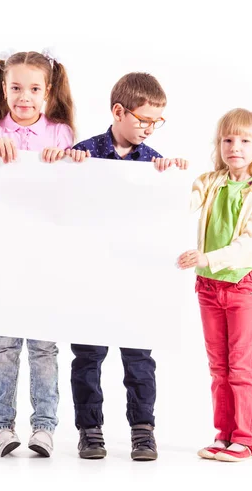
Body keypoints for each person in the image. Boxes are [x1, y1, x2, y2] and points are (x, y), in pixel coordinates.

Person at [67, 72, 188, 461]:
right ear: (118, 111)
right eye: (143, 120)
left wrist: (175, 177)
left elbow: (165, 216)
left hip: (136, 280)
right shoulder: (82, 154)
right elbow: (59, 209)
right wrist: (67, 166)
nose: (150, 129)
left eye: (157, 122)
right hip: (88, 277)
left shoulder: (155, 165)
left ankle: (142, 428)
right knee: (87, 356)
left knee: (139, 358)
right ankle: (90, 429)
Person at [0, 49, 74, 457]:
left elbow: (72, 190)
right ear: (2, 86)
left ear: (47, 91)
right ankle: (1, 425)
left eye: (34, 89)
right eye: (16, 87)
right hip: (2, 255)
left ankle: (44, 427)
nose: (24, 97)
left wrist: (65, 159)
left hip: (45, 256)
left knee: (45, 346)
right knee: (5, 345)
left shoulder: (61, 133)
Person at [177, 108, 252, 462]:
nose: (235, 147)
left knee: (241, 368)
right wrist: (170, 173)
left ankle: (245, 439)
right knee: (218, 368)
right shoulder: (210, 182)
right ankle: (224, 435)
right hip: (207, 287)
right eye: (228, 140)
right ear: (219, 145)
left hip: (241, 285)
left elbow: (248, 244)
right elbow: (181, 202)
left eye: (245, 140)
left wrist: (206, 258)